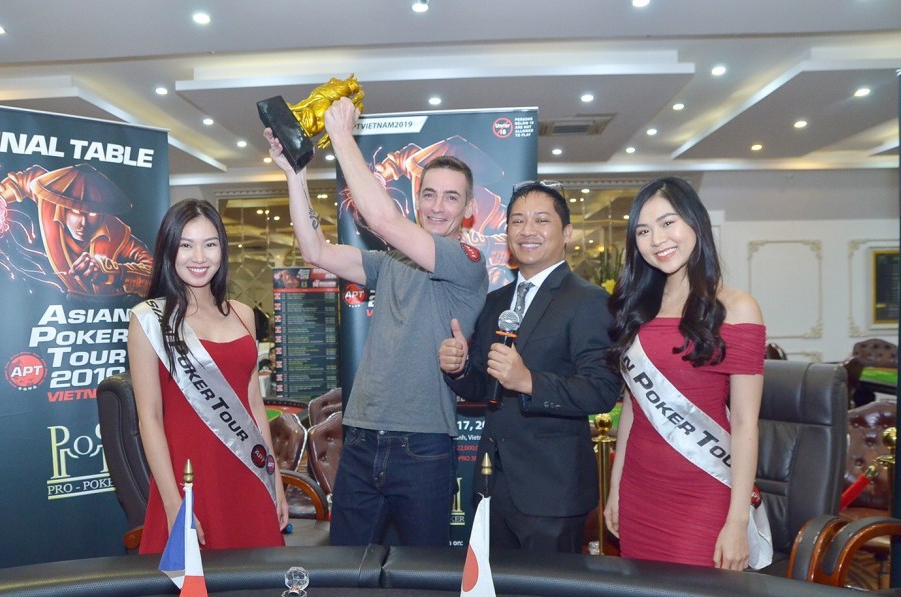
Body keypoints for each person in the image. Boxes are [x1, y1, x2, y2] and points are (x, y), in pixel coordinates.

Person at [264, 96, 488, 547]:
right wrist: (295, 174)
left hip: (423, 446)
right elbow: (315, 251)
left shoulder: (466, 261)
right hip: (362, 437)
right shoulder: (390, 263)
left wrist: (341, 136)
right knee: (350, 572)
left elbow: (383, 219)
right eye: (429, 194)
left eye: (452, 197)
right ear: (417, 199)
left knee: (421, 576)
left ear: (468, 209)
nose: (438, 206)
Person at [438, 181, 621, 553]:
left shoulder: (589, 301)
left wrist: (528, 381)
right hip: (491, 483)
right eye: (518, 221)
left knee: (547, 593)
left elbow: (602, 391)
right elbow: (484, 385)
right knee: (492, 588)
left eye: (541, 220)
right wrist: (459, 369)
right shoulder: (496, 302)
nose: (527, 230)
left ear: (566, 232)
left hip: (553, 491)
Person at [603, 177, 771, 570]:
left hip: (704, 490)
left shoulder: (737, 309)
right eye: (643, 231)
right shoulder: (637, 310)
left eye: (667, 223)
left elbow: (745, 423)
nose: (656, 239)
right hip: (639, 488)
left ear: (695, 222)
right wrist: (615, 488)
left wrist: (737, 520)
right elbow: (633, 408)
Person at [127, 198, 288, 553]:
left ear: (222, 250)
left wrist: (273, 477)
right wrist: (173, 503)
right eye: (186, 245)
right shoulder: (149, 321)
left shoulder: (243, 314)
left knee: (258, 580)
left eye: (210, 244)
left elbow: (254, 404)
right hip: (188, 478)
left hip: (247, 471)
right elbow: (149, 418)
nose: (199, 257)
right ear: (169, 250)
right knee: (195, 585)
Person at [0, 163, 152, 296]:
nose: (83, 222)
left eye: (93, 213)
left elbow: (153, 273)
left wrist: (113, 272)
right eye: (76, 211)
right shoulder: (49, 204)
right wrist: (0, 197)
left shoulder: (117, 231)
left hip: (110, 309)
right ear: (64, 208)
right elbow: (30, 178)